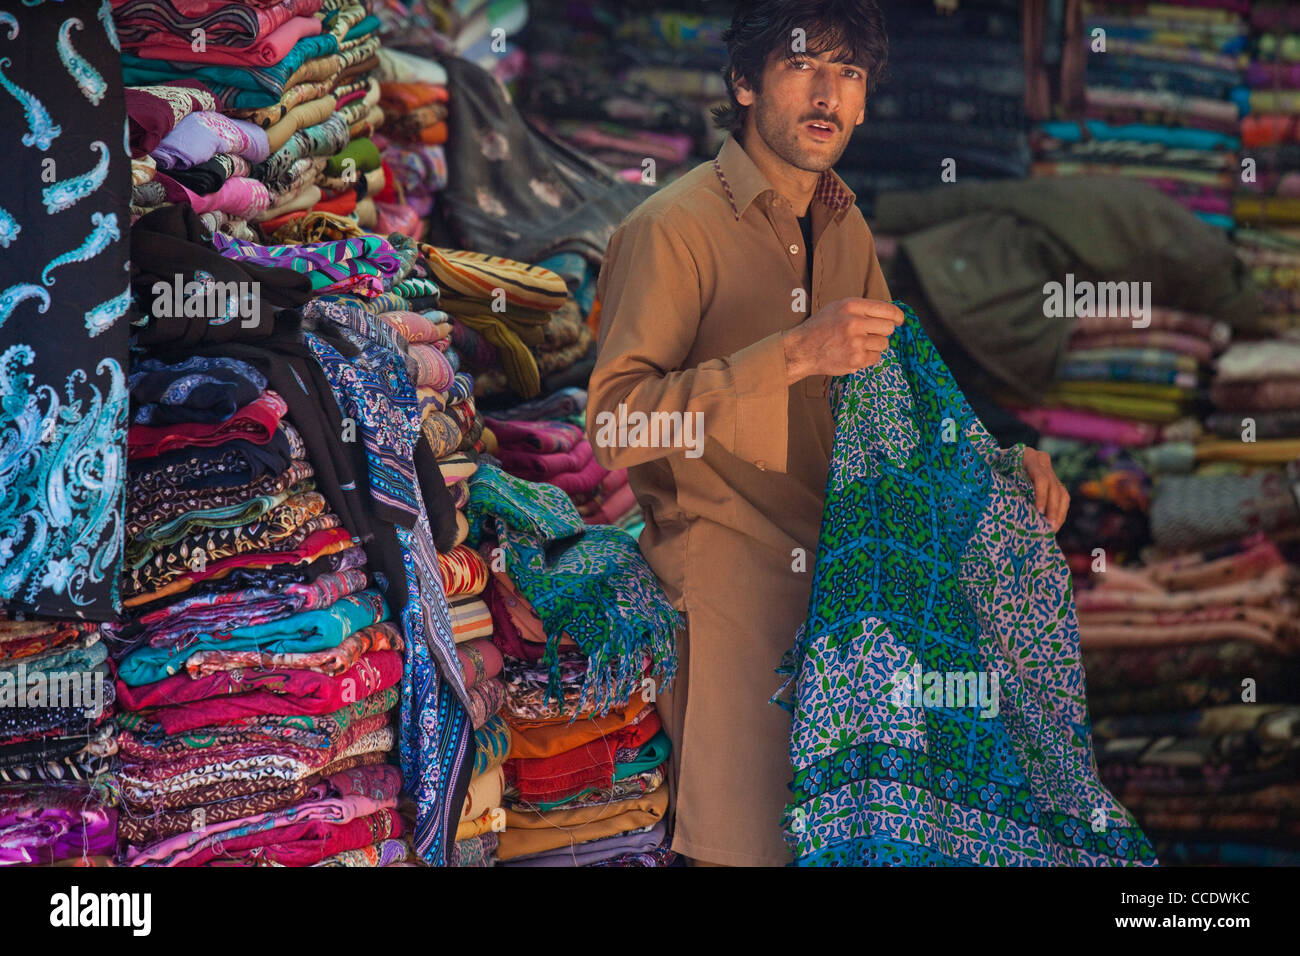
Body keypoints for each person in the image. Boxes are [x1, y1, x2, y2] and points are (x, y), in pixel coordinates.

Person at [587, 0, 1070, 867]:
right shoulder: (670, 230)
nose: (828, 94)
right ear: (743, 82)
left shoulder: (844, 226)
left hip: (844, 604)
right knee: (741, 852)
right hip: (731, 605)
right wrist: (791, 355)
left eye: (850, 75)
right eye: (804, 64)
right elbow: (616, 424)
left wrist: (1002, 462)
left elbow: (891, 405)